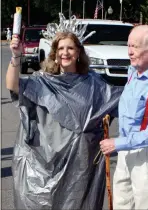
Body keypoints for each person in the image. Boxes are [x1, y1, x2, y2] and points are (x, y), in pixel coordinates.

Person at [6, 31, 123, 209]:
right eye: (60, 48)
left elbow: (119, 101)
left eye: (70, 48)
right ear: (54, 53)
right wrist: (15, 56)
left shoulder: (93, 84)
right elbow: (14, 86)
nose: (65, 52)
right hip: (44, 163)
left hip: (78, 164)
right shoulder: (43, 81)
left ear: (78, 53)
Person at [100, 25, 148, 210]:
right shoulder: (133, 72)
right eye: (128, 46)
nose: (129, 52)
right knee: (121, 206)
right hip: (126, 153)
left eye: (134, 46)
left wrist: (117, 144)